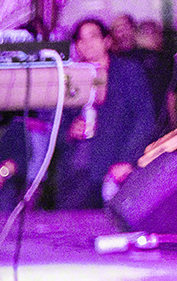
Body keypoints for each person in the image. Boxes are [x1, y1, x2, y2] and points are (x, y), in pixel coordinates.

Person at [56, 17, 157, 209]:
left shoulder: (128, 72)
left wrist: (127, 160)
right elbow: (56, 126)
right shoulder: (71, 76)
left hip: (114, 167)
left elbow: (144, 120)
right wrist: (70, 131)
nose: (86, 43)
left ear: (107, 41)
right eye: (80, 39)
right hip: (77, 170)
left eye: (93, 37)